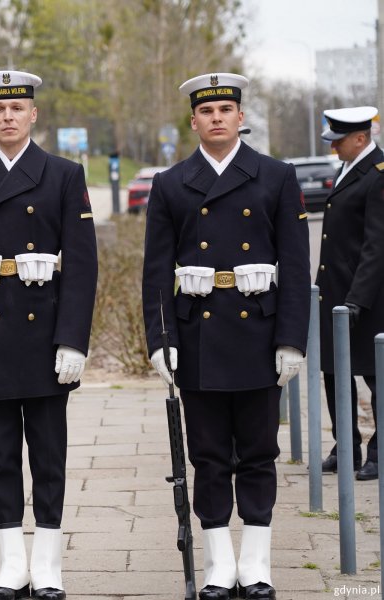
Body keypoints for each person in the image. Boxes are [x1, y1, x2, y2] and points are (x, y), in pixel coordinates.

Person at [142, 73, 310, 600]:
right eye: (207, 110)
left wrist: (291, 339)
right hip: (199, 337)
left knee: (259, 452)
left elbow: (296, 266)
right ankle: (219, 563)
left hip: (258, 335)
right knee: (209, 455)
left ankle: (256, 563)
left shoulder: (276, 176)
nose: (216, 117)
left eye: (225, 109)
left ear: (241, 117)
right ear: (193, 120)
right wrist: (160, 338)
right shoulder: (171, 183)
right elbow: (156, 271)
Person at [0, 70, 98, 600]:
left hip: (46, 336)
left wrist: (73, 339)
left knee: (48, 455)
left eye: (17, 108)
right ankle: (13, 563)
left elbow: (81, 264)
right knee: (0, 455)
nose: (8, 117)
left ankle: (48, 563)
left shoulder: (63, 174)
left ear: (34, 115)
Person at [316, 106, 384, 481]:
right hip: (335, 294)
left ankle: (379, 452)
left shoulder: (378, 175)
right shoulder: (346, 169)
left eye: (338, 141)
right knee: (333, 372)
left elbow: (377, 246)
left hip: (367, 298)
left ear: (360, 138)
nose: (334, 148)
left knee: (375, 378)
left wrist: (358, 298)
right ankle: (347, 447)